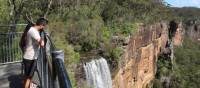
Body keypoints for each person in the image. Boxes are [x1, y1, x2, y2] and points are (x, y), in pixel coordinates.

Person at [20, 18, 48, 88]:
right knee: (29, 78)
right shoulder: (34, 32)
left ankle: (29, 86)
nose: (44, 28)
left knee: (27, 77)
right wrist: (44, 39)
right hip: (30, 58)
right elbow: (42, 44)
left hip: (28, 57)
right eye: (44, 26)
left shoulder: (31, 29)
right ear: (41, 25)